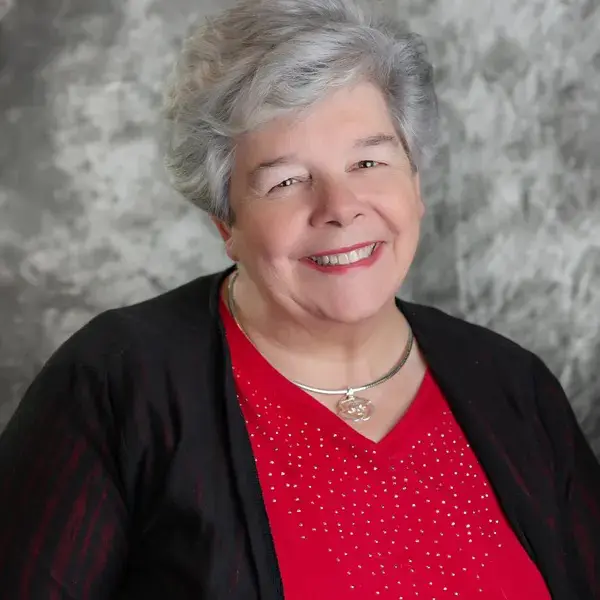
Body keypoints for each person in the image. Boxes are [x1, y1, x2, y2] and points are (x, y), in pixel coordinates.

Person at [0, 0, 599, 598]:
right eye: (285, 180)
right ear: (225, 222)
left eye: (368, 160)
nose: (340, 208)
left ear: (415, 184)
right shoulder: (116, 385)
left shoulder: (515, 389)